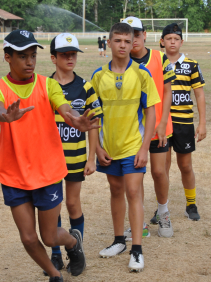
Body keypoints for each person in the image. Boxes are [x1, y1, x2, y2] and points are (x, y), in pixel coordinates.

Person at [0, 30, 100, 282]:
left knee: (49, 237)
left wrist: (74, 119)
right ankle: (55, 274)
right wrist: (4, 115)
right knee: (27, 237)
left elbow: (64, 106)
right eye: (22, 56)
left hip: (47, 173)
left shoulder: (48, 84)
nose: (30, 62)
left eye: (33, 56)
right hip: (14, 174)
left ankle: (72, 243)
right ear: (7, 57)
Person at [92, 23, 160, 272]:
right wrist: (98, 147)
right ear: (108, 43)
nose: (122, 45)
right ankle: (119, 240)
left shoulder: (142, 74)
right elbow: (93, 116)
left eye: (126, 41)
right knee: (115, 191)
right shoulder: (99, 76)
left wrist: (144, 148)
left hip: (133, 145)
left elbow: (151, 113)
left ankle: (137, 250)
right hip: (109, 147)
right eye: (117, 40)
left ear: (133, 44)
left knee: (133, 191)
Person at [46, 33, 103, 274]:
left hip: (76, 158)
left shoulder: (86, 86)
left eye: (73, 54)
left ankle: (76, 251)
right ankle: (56, 254)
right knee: (53, 206)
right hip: (49, 159)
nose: (70, 58)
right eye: (64, 54)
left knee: (72, 203)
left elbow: (94, 124)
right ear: (53, 58)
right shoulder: (45, 86)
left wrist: (92, 157)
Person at [122, 16, 176, 238]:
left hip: (159, 127)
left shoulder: (159, 58)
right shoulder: (122, 62)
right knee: (136, 175)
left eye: (136, 33)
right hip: (134, 131)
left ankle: (163, 212)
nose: (133, 39)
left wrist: (163, 123)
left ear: (144, 35)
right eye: (128, 34)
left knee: (158, 171)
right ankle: (140, 222)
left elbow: (167, 91)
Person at [161, 23, 206, 220]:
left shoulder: (191, 65)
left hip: (184, 123)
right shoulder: (156, 63)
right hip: (163, 123)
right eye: (169, 38)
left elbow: (199, 95)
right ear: (162, 41)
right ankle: (162, 208)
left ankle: (191, 204)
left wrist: (202, 123)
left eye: (176, 39)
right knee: (162, 167)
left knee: (185, 165)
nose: (172, 42)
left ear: (181, 41)